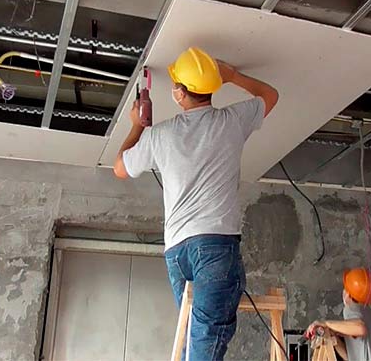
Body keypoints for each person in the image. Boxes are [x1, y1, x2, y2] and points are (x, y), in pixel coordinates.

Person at [113, 47, 278, 360]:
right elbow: (270, 95)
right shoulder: (232, 121)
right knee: (202, 344)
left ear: (178, 93)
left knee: (197, 343)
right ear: (211, 88)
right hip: (214, 247)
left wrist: (137, 124)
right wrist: (233, 76)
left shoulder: (158, 135)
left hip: (177, 252)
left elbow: (120, 168)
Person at [305, 268, 371, 361]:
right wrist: (332, 336)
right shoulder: (369, 313)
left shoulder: (352, 308)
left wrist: (326, 323)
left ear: (347, 293)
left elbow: (360, 328)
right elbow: (351, 357)